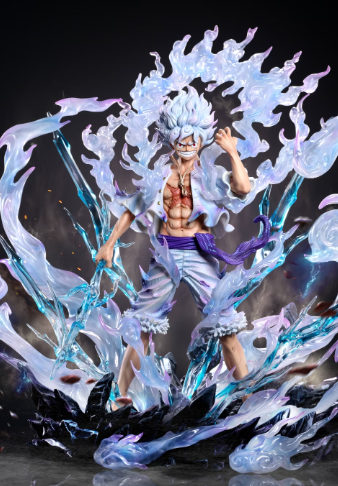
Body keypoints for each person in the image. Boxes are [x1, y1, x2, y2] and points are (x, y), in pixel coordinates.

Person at [95, 86, 263, 401]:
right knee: (141, 329)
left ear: (202, 139)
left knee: (227, 327)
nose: (186, 145)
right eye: (181, 140)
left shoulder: (210, 176)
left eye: (192, 139)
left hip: (200, 255)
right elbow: (131, 210)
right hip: (166, 256)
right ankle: (118, 397)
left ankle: (247, 397)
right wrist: (109, 244)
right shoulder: (158, 177)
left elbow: (243, 189)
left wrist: (232, 151)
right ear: (170, 139)